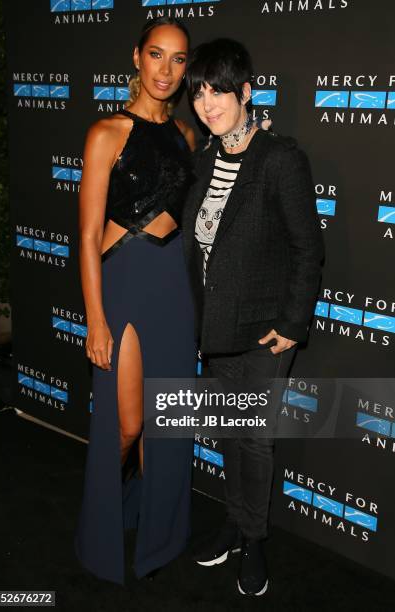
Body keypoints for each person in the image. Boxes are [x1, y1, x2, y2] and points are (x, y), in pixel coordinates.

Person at [183, 39, 324, 596]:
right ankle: (234, 526)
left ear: (246, 92)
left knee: (255, 441)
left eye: (219, 90)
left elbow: (306, 249)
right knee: (228, 434)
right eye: (199, 92)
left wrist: (292, 324)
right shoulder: (201, 158)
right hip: (215, 328)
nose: (208, 103)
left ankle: (256, 541)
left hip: (265, 334)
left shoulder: (280, 159)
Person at [74, 17, 197, 585]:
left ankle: (158, 536)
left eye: (177, 60)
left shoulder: (186, 136)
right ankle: (102, 529)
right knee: (126, 425)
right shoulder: (105, 132)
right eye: (156, 55)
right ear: (136, 58)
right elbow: (87, 235)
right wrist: (95, 319)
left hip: (173, 286)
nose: (166, 70)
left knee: (165, 428)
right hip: (123, 283)